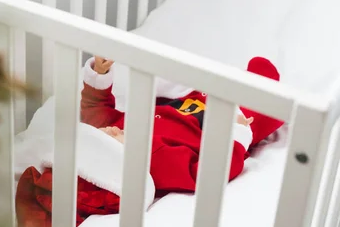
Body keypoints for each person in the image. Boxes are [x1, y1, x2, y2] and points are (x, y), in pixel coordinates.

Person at [81, 55, 284, 194]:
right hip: (218, 125)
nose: (108, 129)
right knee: (267, 103)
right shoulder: (154, 160)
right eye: (110, 137)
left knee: (182, 85)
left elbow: (93, 109)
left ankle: (214, 84)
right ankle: (261, 92)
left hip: (182, 103)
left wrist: (99, 73)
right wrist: (237, 136)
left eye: (101, 132)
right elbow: (208, 175)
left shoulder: (118, 127)